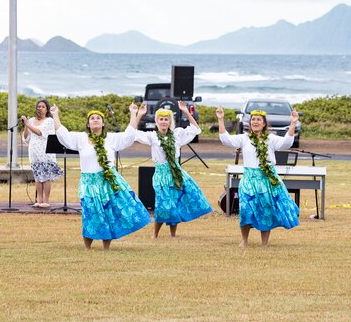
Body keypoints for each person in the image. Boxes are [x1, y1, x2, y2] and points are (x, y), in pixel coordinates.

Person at [54, 106, 150, 250]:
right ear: (88, 124)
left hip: (107, 180)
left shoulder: (110, 138)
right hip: (89, 182)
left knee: (108, 212)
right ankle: (87, 248)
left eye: (98, 118)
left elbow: (128, 136)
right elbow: (64, 136)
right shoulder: (81, 138)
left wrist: (135, 114)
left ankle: (106, 248)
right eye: (92, 119)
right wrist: (55, 115)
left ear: (103, 123)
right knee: (90, 213)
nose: (95, 120)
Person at [216, 107, 300, 246]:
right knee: (245, 208)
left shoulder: (271, 139)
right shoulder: (244, 138)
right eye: (253, 120)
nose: (255, 122)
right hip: (249, 177)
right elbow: (227, 140)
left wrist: (293, 123)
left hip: (267, 177)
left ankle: (264, 243)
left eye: (258, 120)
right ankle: (244, 240)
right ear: (250, 123)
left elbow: (286, 143)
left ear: (264, 123)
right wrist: (220, 119)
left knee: (266, 209)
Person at [128, 101, 212, 238]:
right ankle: (155, 234)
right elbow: (132, 133)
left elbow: (196, 129)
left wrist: (185, 111)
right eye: (160, 119)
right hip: (161, 174)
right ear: (156, 121)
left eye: (166, 119)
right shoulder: (152, 136)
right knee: (163, 204)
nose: (163, 122)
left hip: (176, 173)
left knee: (175, 203)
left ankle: (173, 234)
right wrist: (139, 115)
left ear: (170, 121)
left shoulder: (177, 135)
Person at [21, 98, 62, 208]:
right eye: (38, 106)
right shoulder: (31, 121)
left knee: (46, 176)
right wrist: (26, 125)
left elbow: (39, 132)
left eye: (43, 107)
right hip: (33, 151)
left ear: (47, 109)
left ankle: (46, 201)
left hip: (45, 151)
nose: (40, 108)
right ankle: (39, 200)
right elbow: (26, 137)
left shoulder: (49, 121)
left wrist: (28, 124)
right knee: (38, 176)